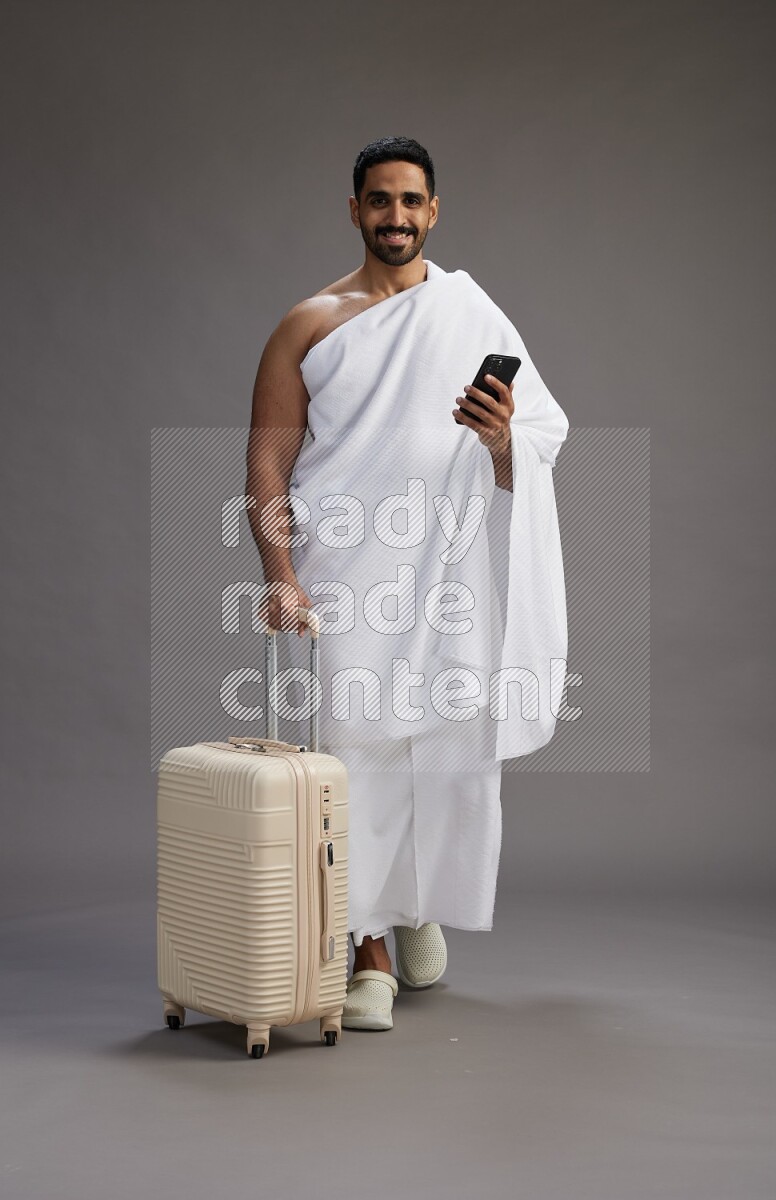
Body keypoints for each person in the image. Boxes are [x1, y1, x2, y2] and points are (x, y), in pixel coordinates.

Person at [246, 136, 569, 1031]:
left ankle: (420, 908)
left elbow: (531, 450)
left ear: (434, 212)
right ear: (354, 211)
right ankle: (368, 949)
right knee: (355, 757)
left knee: (449, 749)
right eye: (379, 201)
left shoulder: (474, 315)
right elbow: (268, 466)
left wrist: (501, 438)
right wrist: (280, 576)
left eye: (411, 202)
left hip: (451, 568)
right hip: (348, 569)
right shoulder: (308, 323)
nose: (396, 217)